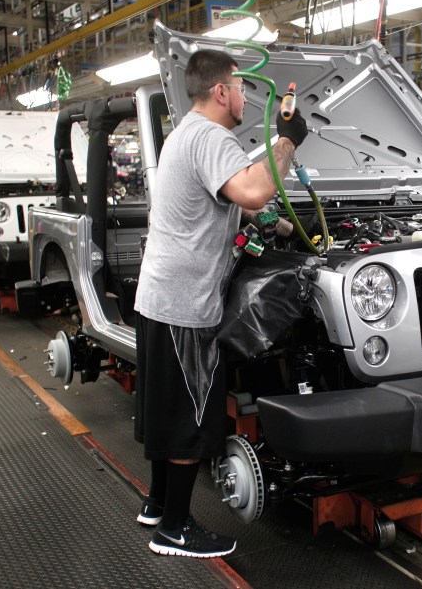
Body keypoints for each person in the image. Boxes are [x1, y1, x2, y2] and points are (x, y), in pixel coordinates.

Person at [132, 49, 307, 558]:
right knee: (191, 417)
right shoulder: (211, 137)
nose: (247, 97)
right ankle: (175, 530)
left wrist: (273, 226)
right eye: (242, 88)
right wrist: (287, 140)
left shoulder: (184, 132)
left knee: (167, 409)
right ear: (222, 91)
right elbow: (252, 190)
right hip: (184, 305)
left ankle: (157, 504)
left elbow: (222, 206)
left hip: (160, 298)